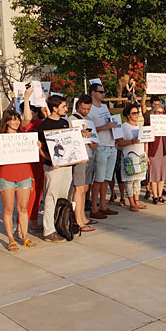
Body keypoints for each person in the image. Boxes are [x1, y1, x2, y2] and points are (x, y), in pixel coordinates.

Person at [0, 109, 37, 249]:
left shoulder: (24, 137)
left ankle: (24, 236)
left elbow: (31, 156)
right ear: (6, 121)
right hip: (6, 176)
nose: (16, 122)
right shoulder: (1, 138)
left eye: (17, 119)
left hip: (24, 175)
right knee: (8, 209)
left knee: (23, 208)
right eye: (12, 119)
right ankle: (11, 239)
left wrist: (36, 148)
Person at [37, 94, 74, 241]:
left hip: (66, 166)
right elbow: (40, 148)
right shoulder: (44, 125)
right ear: (54, 108)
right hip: (53, 168)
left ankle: (61, 225)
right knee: (51, 197)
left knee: (63, 197)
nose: (66, 109)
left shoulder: (65, 123)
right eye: (63, 106)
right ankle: (48, 230)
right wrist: (49, 159)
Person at [20, 88, 49, 233]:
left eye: (32, 110)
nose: (30, 113)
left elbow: (50, 120)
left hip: (39, 162)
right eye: (27, 110)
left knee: (38, 193)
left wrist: (45, 102)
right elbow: (26, 118)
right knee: (28, 194)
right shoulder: (23, 125)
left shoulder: (38, 123)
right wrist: (26, 98)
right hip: (27, 164)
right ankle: (22, 224)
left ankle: (33, 222)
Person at [88, 83, 119, 219]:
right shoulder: (90, 109)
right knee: (99, 178)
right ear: (93, 93)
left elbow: (112, 123)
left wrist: (117, 134)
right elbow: (89, 128)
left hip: (111, 144)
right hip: (100, 146)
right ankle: (94, 208)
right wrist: (105, 126)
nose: (103, 94)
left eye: (103, 91)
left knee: (107, 178)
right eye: (101, 92)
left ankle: (103, 205)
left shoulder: (105, 107)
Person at [69, 95, 98, 232]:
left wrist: (94, 143)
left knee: (85, 188)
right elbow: (69, 139)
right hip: (79, 158)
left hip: (89, 155)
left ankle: (82, 216)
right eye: (84, 108)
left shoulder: (89, 120)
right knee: (79, 189)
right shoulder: (72, 119)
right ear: (78, 105)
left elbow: (93, 137)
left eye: (88, 108)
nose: (86, 111)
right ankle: (77, 219)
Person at [116, 104, 149, 212]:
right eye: (134, 113)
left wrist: (146, 155)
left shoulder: (140, 127)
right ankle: (131, 202)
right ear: (128, 115)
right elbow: (119, 142)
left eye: (137, 112)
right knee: (129, 180)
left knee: (138, 180)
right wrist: (131, 141)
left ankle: (137, 201)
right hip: (129, 156)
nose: (136, 115)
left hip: (140, 155)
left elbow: (146, 142)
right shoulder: (123, 126)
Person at [148, 104, 166, 205]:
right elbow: (146, 140)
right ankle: (155, 196)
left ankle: (160, 195)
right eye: (158, 112)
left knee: (162, 174)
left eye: (162, 112)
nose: (160, 114)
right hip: (153, 150)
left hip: (164, 150)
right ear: (154, 113)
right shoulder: (150, 125)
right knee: (154, 175)